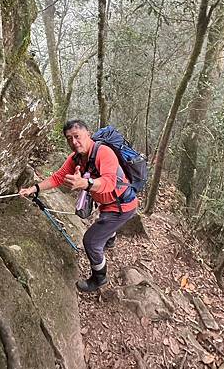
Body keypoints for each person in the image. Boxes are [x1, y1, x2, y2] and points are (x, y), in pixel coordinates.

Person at [19, 119, 138, 292]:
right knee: (104, 222)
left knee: (90, 242)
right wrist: (34, 188)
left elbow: (109, 182)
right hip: (107, 204)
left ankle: (99, 278)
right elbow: (58, 177)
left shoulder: (104, 153)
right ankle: (110, 239)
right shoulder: (76, 158)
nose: (73, 142)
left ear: (87, 134)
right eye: (69, 139)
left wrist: (85, 183)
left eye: (77, 136)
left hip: (121, 207)